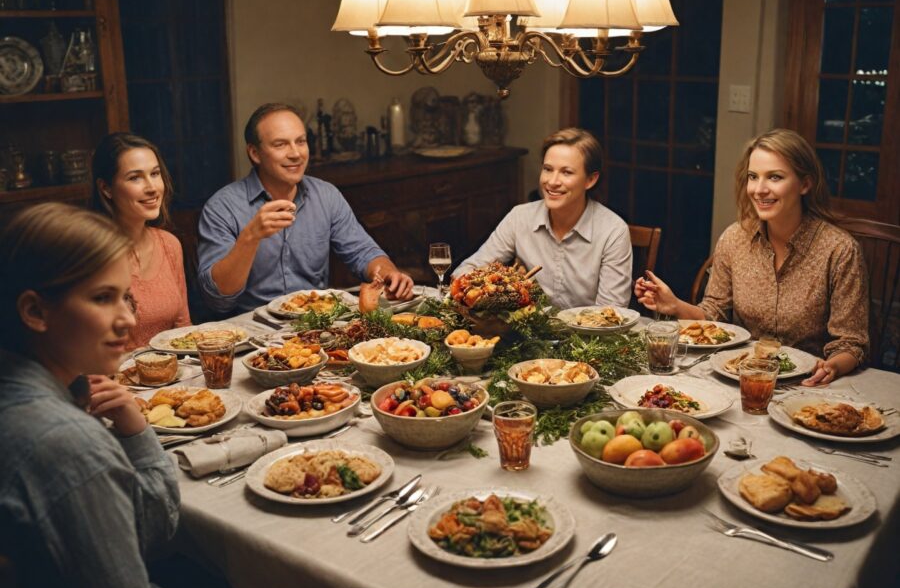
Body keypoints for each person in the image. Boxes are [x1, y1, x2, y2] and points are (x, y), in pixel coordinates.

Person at [0, 203, 181, 588]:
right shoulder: (68, 444)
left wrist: (133, 425)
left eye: (127, 298)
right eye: (103, 298)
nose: (129, 320)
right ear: (35, 312)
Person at [634, 128, 868, 386]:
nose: (759, 189)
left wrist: (832, 366)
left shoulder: (840, 250)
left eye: (775, 177)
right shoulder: (735, 238)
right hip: (739, 378)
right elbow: (715, 316)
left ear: (805, 184)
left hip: (809, 385)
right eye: (753, 177)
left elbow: (851, 342)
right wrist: (675, 306)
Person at [197, 103, 414, 314]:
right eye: (280, 144)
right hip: (250, 335)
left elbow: (363, 252)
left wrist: (389, 273)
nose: (296, 154)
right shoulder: (222, 207)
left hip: (315, 326)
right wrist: (250, 237)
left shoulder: (326, 196)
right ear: (254, 153)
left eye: (300, 141)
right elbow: (218, 299)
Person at [454, 127, 633, 309]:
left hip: (588, 335)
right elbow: (464, 272)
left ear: (590, 180)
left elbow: (611, 312)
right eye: (548, 169)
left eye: (566, 172)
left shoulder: (613, 231)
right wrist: (498, 290)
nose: (552, 182)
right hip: (527, 332)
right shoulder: (519, 217)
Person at [92, 132, 191, 350]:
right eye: (135, 178)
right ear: (106, 188)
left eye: (155, 174)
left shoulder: (169, 244)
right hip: (115, 378)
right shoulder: (92, 254)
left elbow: (184, 329)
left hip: (173, 375)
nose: (152, 187)